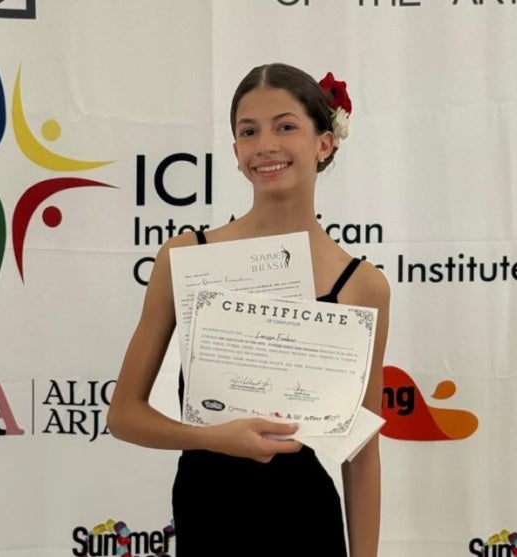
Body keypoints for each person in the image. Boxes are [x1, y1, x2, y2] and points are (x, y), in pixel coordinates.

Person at [107, 63, 390, 557]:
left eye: (285, 126)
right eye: (248, 130)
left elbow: (361, 450)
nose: (265, 145)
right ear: (236, 151)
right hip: (208, 514)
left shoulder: (363, 286)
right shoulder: (184, 258)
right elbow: (124, 415)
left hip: (306, 521)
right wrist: (213, 437)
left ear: (324, 142)